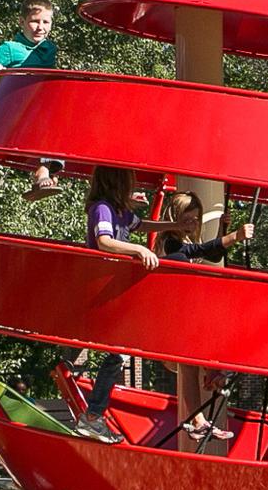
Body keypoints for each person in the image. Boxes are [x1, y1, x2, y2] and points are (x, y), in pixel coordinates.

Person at [72, 166, 189, 443]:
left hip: (115, 291)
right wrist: (139, 249)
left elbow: (141, 225)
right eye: (129, 182)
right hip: (103, 291)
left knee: (121, 353)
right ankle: (92, 416)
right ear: (117, 183)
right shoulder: (102, 209)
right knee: (117, 354)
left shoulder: (120, 212)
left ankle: (94, 416)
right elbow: (104, 242)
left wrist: (173, 226)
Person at [155, 191, 256, 442]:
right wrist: (233, 237)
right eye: (186, 219)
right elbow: (198, 250)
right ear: (174, 217)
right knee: (196, 350)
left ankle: (199, 415)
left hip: (181, 318)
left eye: (195, 219)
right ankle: (209, 386)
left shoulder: (183, 243)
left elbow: (212, 255)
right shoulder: (170, 242)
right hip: (173, 319)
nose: (192, 224)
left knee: (191, 362)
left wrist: (222, 231)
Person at [0, 0, 65, 200]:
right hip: (15, 108)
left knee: (63, 114)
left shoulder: (49, 49)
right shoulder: (10, 49)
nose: (40, 27)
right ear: (22, 22)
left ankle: (48, 170)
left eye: (45, 22)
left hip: (38, 108)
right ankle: (42, 170)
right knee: (47, 114)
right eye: (34, 21)